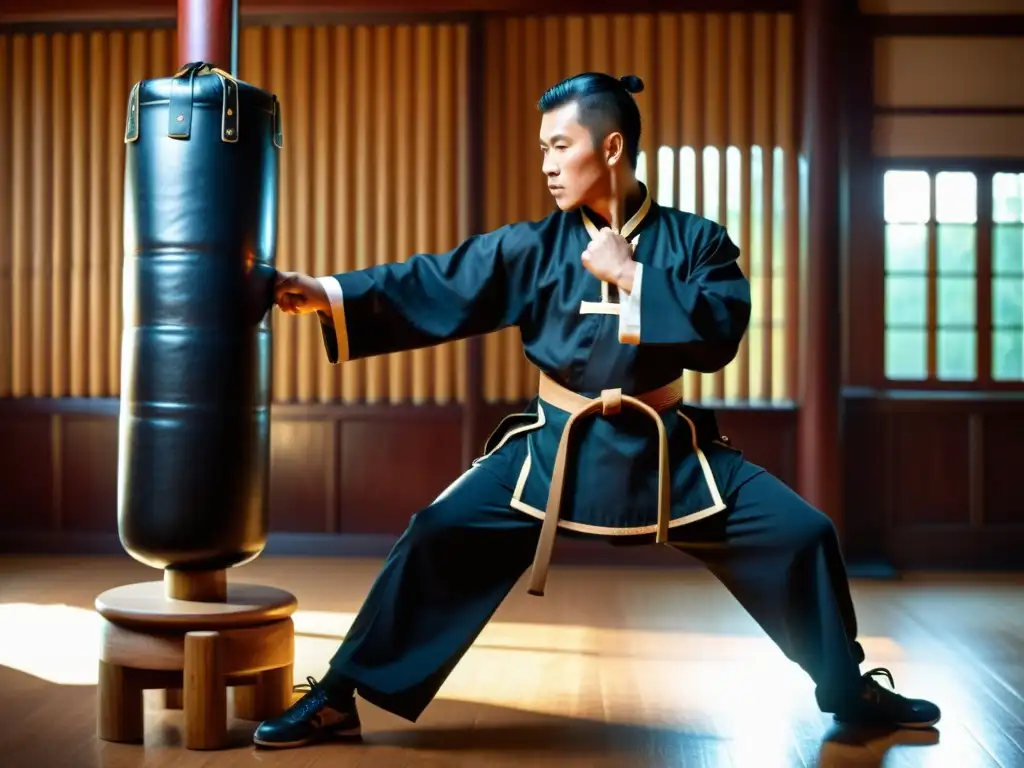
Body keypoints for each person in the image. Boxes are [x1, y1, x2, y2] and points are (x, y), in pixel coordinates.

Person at [253, 72, 941, 749]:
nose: (546, 164)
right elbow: (441, 278)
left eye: (559, 146)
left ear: (610, 148)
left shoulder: (698, 241)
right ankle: (338, 697)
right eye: (543, 149)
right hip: (552, 448)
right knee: (437, 531)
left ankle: (848, 688)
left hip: (669, 451)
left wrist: (632, 276)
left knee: (804, 534)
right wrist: (330, 292)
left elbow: (721, 331)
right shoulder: (536, 246)